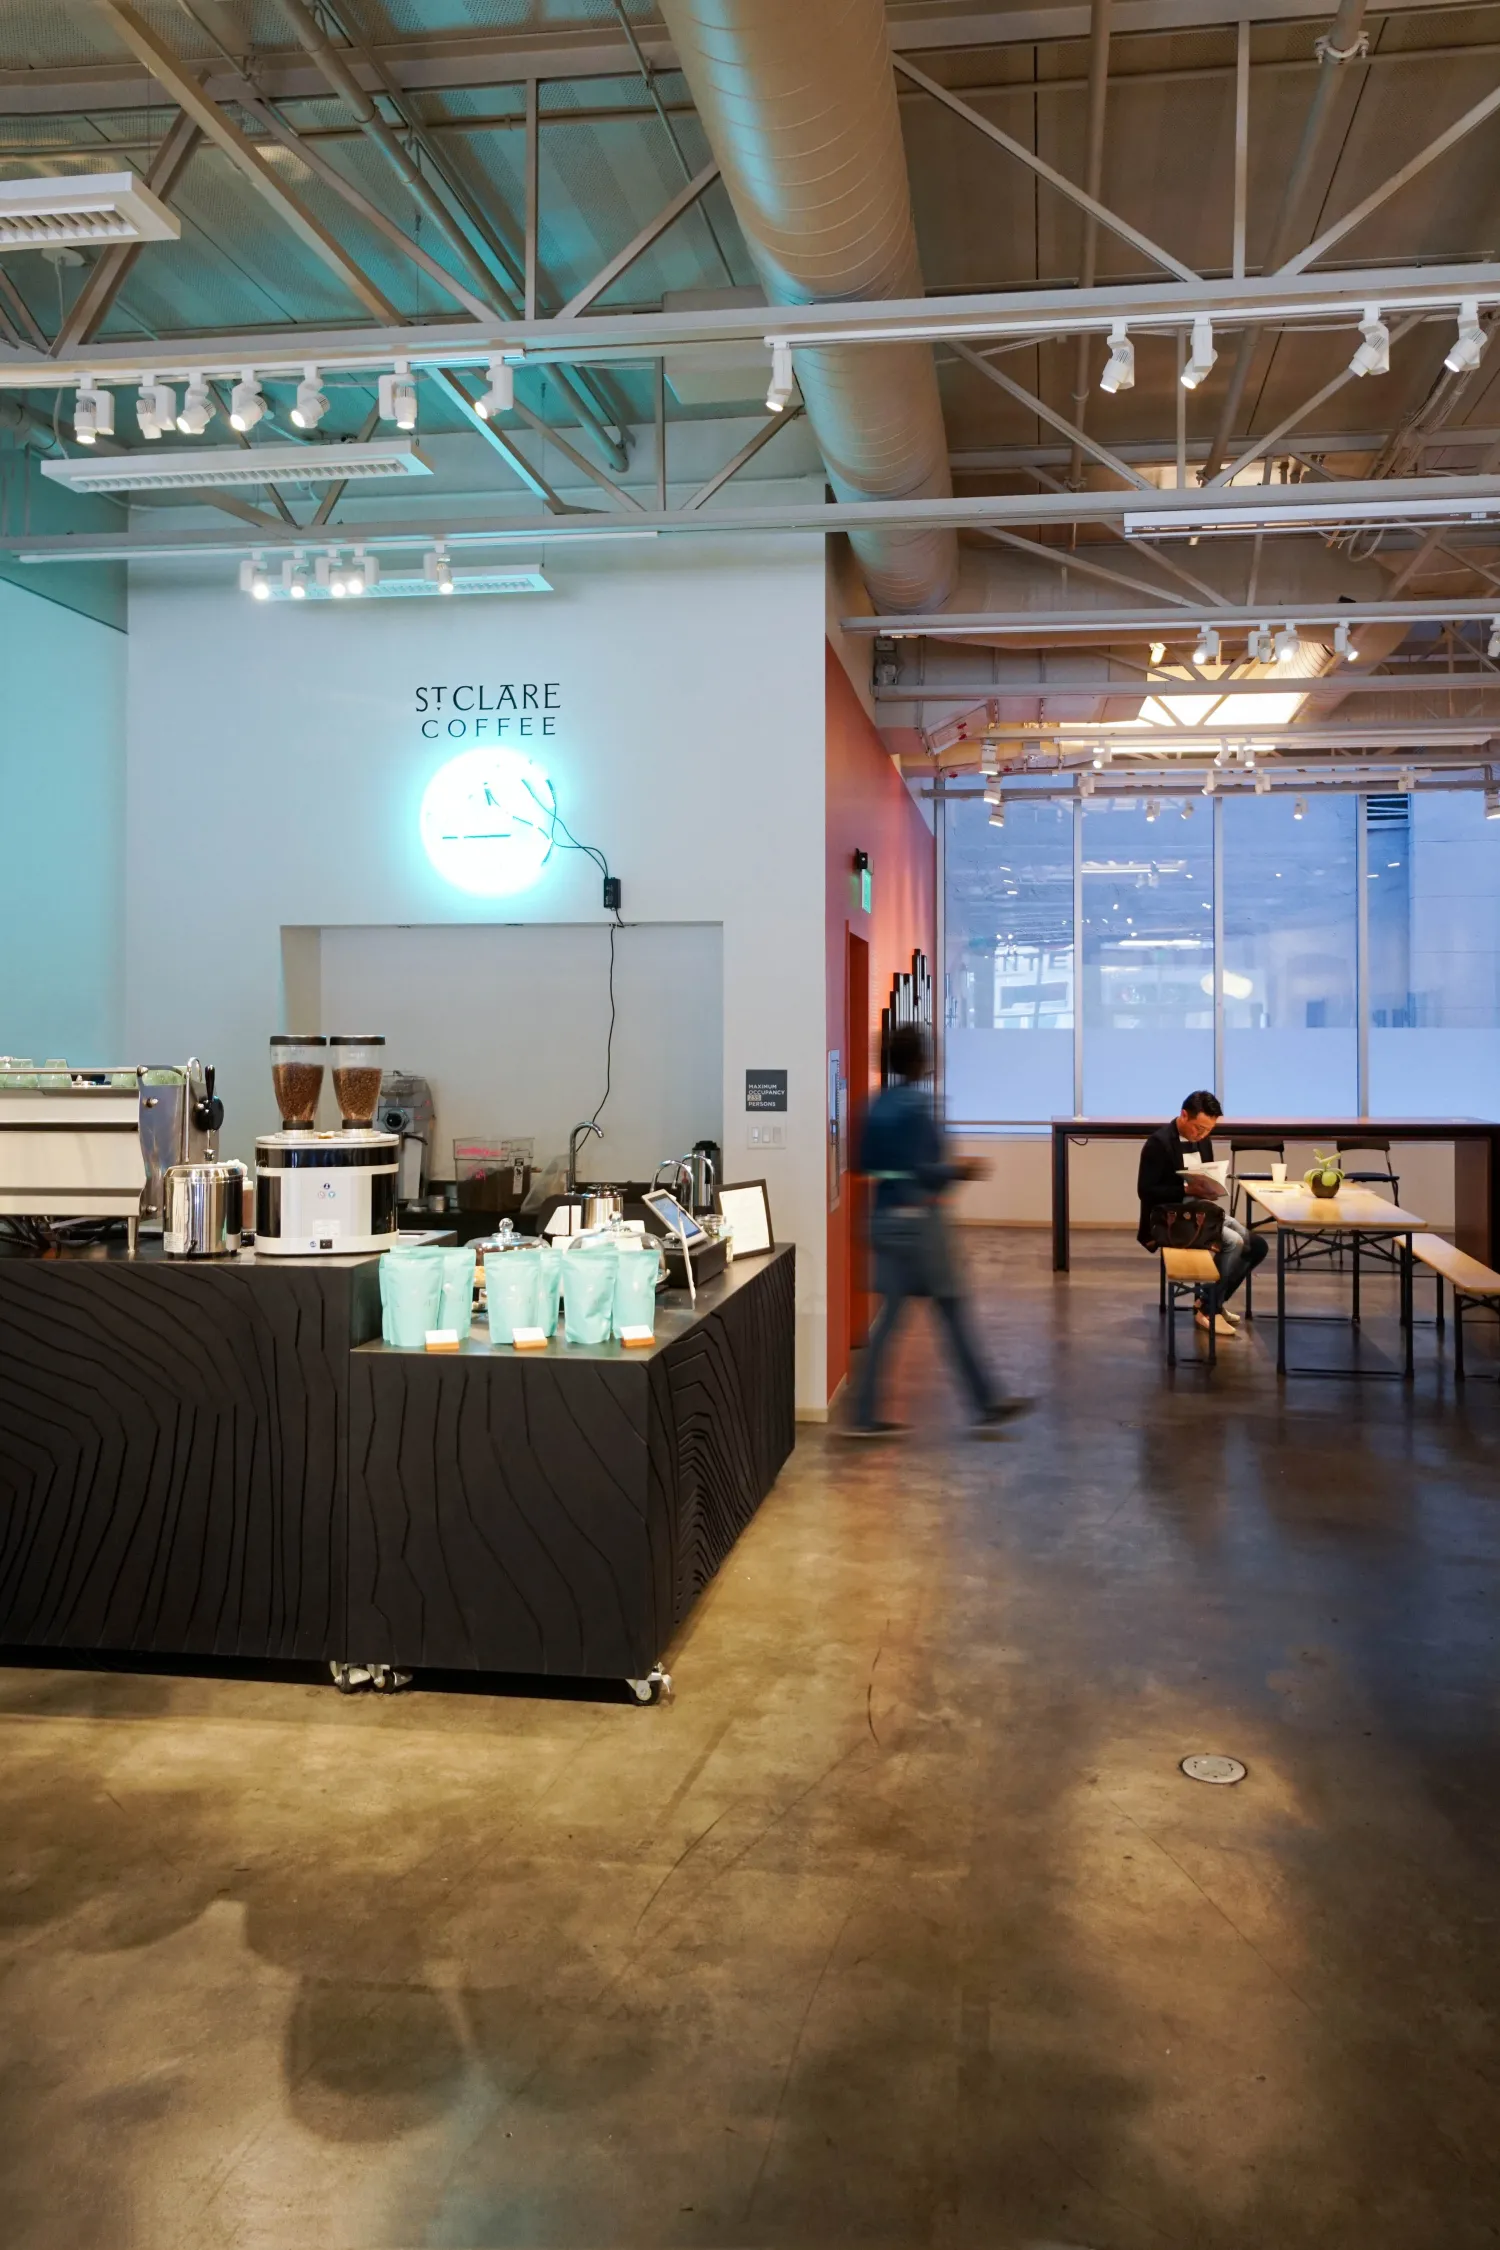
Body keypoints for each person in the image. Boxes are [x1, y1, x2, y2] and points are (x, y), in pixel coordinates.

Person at [845, 1023, 1032, 1438]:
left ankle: (863, 1415)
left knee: (889, 1323)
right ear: (920, 1061)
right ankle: (987, 1403)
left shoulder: (872, 1107)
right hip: (922, 1228)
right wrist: (963, 1169)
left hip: (883, 1219)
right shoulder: (918, 1107)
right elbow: (929, 1173)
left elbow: (861, 1163)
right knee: (953, 1311)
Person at [1137, 1091, 1268, 1337]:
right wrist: (1186, 1188)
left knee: (1257, 1245)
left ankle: (1210, 1302)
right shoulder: (1159, 1143)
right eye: (1199, 1128)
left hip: (1199, 1211)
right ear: (1183, 1115)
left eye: (1208, 1130)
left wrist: (1210, 1188)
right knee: (1233, 1242)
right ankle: (1209, 1310)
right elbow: (1145, 1191)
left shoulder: (1202, 1140)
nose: (1203, 1134)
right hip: (1170, 1219)